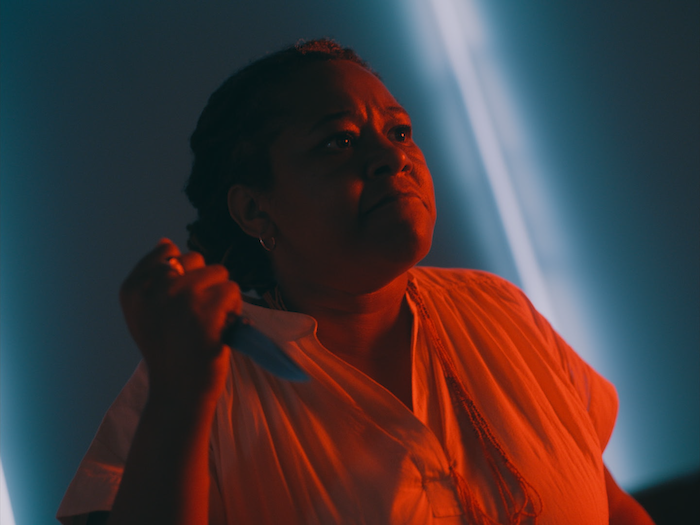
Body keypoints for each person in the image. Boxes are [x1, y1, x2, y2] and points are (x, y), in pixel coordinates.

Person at [56, 39, 654, 525]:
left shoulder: (500, 310)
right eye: (337, 142)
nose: (392, 158)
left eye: (399, 132)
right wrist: (180, 393)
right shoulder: (192, 377)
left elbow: (612, 509)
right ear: (256, 210)